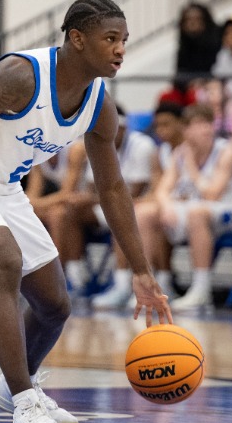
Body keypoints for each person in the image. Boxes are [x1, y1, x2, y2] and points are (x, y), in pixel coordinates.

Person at [0, 0, 172, 423]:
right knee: (5, 263)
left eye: (124, 41)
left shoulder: (99, 106)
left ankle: (16, 385)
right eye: (110, 38)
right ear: (77, 39)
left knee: (55, 305)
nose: (120, 49)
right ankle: (24, 406)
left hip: (4, 186)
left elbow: (112, 190)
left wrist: (142, 271)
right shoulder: (22, 76)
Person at [151, 104, 232, 312]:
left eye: (208, 123)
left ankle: (201, 290)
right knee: (148, 214)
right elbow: (162, 190)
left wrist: (192, 166)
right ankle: (160, 283)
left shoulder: (226, 151)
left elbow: (212, 195)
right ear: (185, 130)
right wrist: (166, 207)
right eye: (198, 124)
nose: (206, 129)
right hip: (195, 209)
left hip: (229, 211)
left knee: (196, 213)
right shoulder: (180, 152)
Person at [92, 102, 186, 309]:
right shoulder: (160, 151)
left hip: (185, 207)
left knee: (134, 214)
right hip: (165, 205)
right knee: (130, 213)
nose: (161, 130)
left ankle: (158, 282)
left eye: (166, 124)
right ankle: (128, 284)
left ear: (182, 124)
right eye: (158, 125)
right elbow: (159, 188)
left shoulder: (186, 150)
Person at [57, 105, 157, 296]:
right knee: (68, 211)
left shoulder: (142, 145)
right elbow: (91, 187)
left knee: (120, 213)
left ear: (123, 127)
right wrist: (84, 199)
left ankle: (122, 284)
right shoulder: (95, 141)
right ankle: (74, 276)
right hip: (106, 204)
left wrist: (91, 199)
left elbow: (131, 195)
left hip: (137, 207)